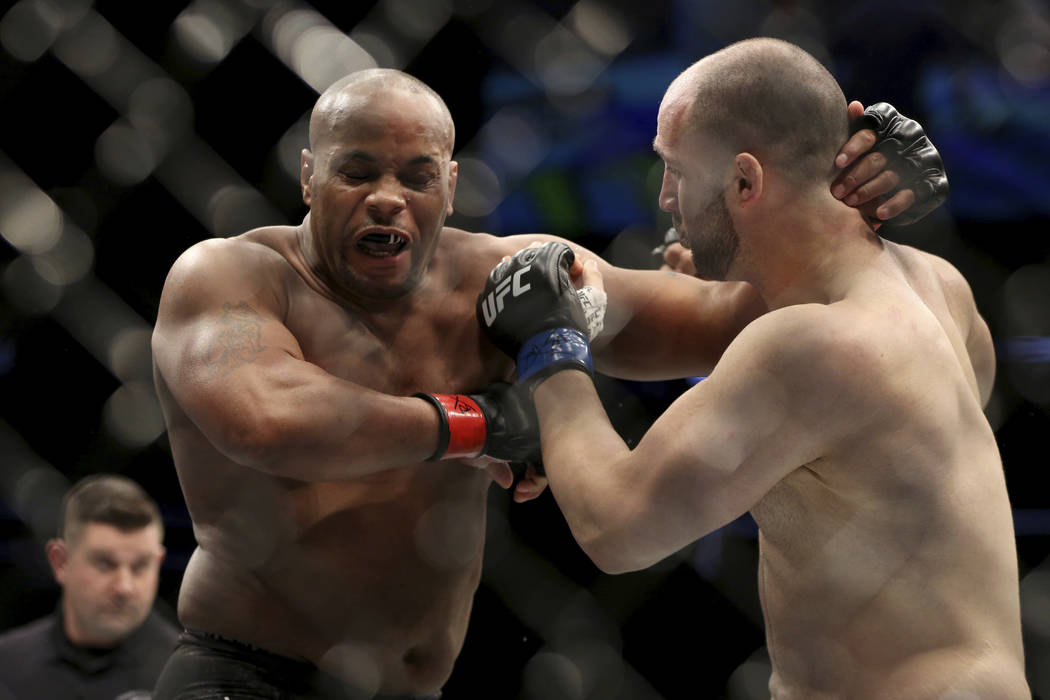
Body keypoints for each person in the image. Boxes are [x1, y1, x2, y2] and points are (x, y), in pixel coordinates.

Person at [148, 66, 946, 699]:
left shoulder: (506, 274)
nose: (388, 196)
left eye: (416, 176)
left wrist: (846, 199)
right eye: (357, 172)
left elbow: (724, 314)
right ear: (309, 177)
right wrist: (480, 424)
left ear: (451, 186)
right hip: (245, 679)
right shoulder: (232, 276)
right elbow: (265, 416)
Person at [478, 38, 1029, 699]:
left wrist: (548, 348)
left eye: (676, 171)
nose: (664, 199)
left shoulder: (811, 344)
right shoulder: (940, 285)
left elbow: (616, 529)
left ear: (745, 181)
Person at [0, 474, 177, 700]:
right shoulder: (7, 668)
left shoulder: (189, 676)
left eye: (141, 566)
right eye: (105, 564)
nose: (124, 587)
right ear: (60, 562)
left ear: (158, 563)